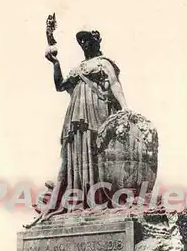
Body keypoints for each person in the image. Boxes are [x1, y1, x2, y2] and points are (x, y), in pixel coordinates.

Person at [43, 29, 128, 218]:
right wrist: (56, 63)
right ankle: (78, 200)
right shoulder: (78, 69)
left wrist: (124, 108)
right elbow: (60, 86)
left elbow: (114, 83)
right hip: (77, 114)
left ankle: (99, 198)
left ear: (96, 42)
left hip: (97, 111)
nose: (84, 44)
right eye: (82, 42)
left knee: (97, 151)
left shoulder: (104, 63)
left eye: (88, 41)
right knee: (77, 153)